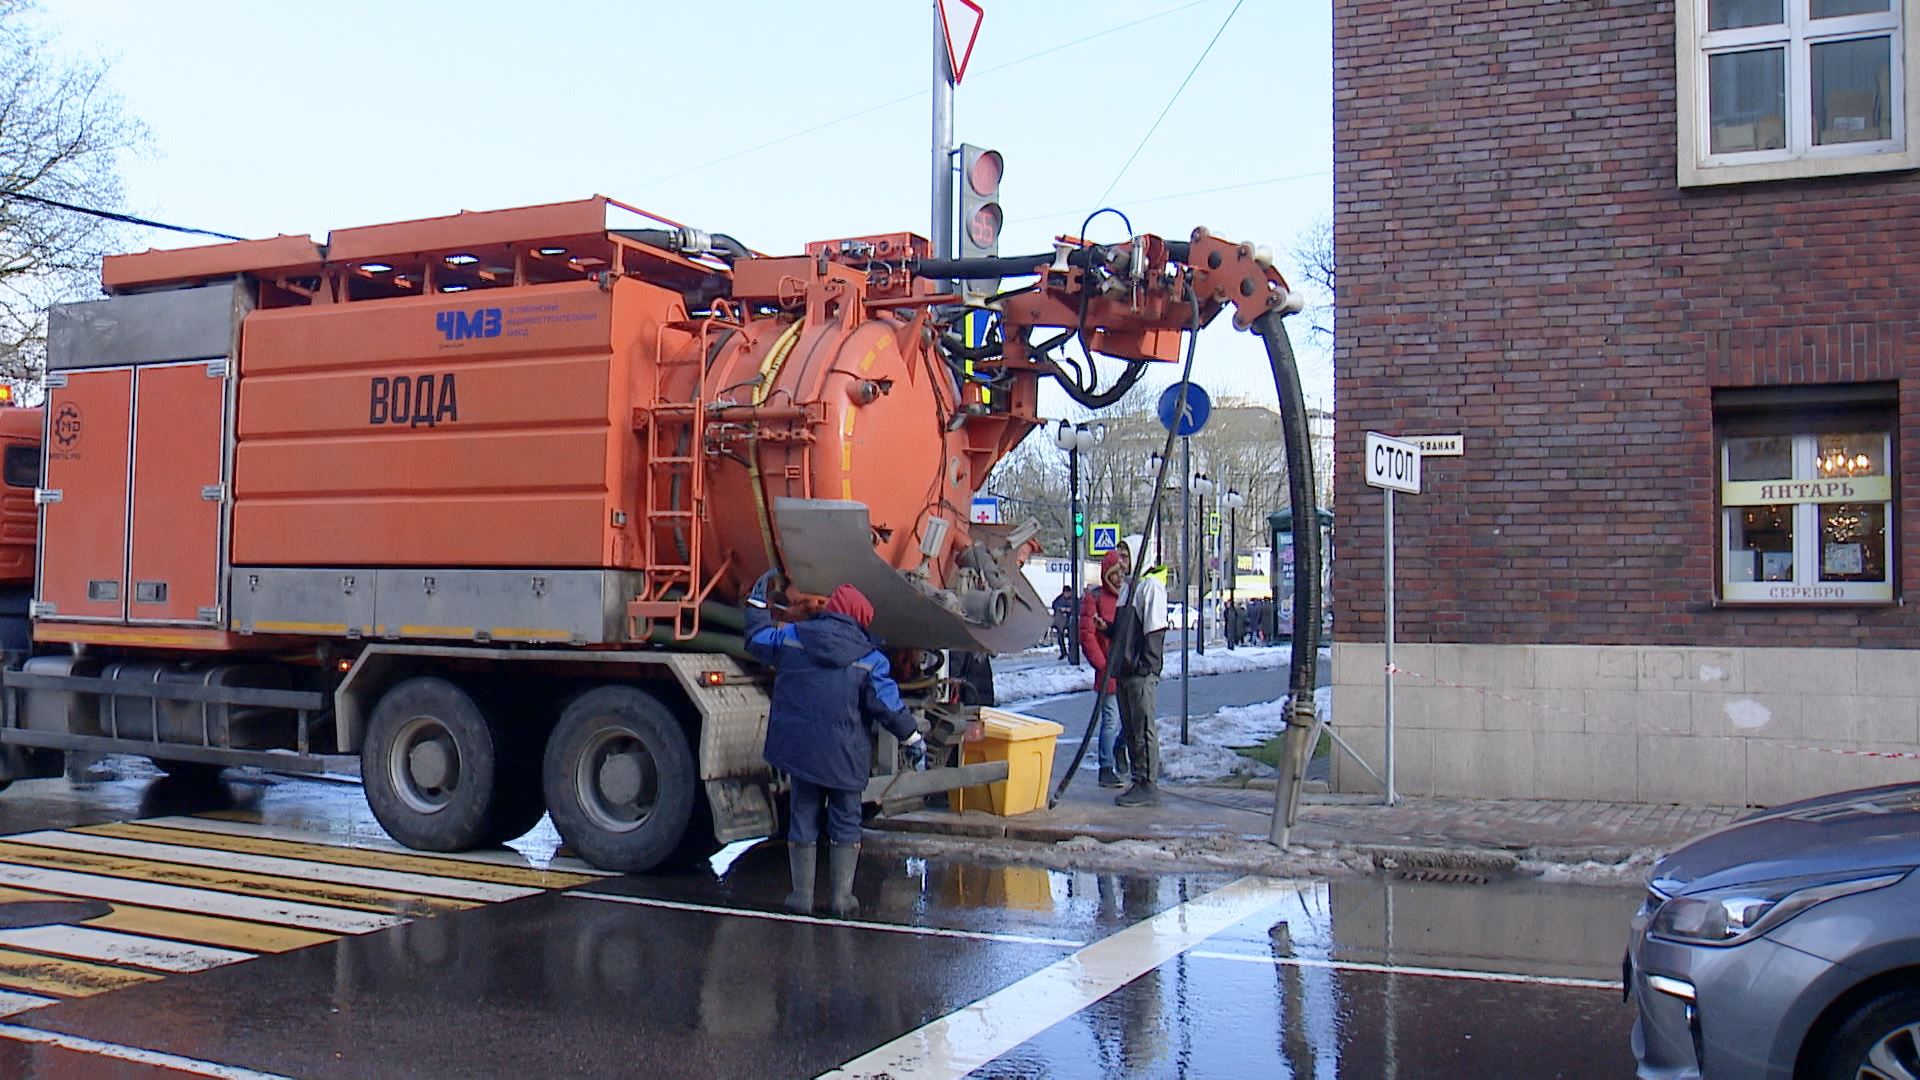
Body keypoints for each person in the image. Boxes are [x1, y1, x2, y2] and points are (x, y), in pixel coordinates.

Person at [745, 572, 922, 917]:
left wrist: (756, 603)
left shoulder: (794, 638)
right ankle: (842, 899)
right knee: (845, 819)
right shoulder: (870, 659)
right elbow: (888, 706)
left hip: (802, 753)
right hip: (845, 755)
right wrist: (912, 737)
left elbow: (757, 640)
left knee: (803, 814)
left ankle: (801, 898)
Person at [1109, 562, 1169, 807]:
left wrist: (1146, 666)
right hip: (1126, 670)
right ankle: (1138, 778)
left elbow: (1154, 630)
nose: (1121, 563)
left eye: (1125, 556)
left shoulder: (1150, 587)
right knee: (1131, 726)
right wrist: (1108, 630)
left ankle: (1148, 782)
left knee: (1143, 726)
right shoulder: (1128, 588)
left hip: (1138, 672)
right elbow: (1125, 631)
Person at [1078, 545, 1131, 788]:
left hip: (1127, 669)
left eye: (1122, 573)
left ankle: (1120, 755)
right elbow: (1087, 636)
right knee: (1110, 719)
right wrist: (1103, 665)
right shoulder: (1095, 597)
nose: (1119, 579)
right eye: (1115, 574)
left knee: (1128, 719)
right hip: (1108, 671)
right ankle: (1106, 766)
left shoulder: (1128, 595)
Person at [1049, 586, 1075, 659]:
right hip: (1061, 621)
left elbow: (1078, 607)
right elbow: (1054, 605)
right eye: (1065, 593)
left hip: (1070, 620)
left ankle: (1071, 652)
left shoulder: (1074, 599)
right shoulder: (1059, 599)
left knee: (1071, 638)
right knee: (1060, 637)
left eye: (1068, 593)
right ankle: (1063, 652)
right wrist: (1060, 609)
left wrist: (1070, 609)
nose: (1066, 594)